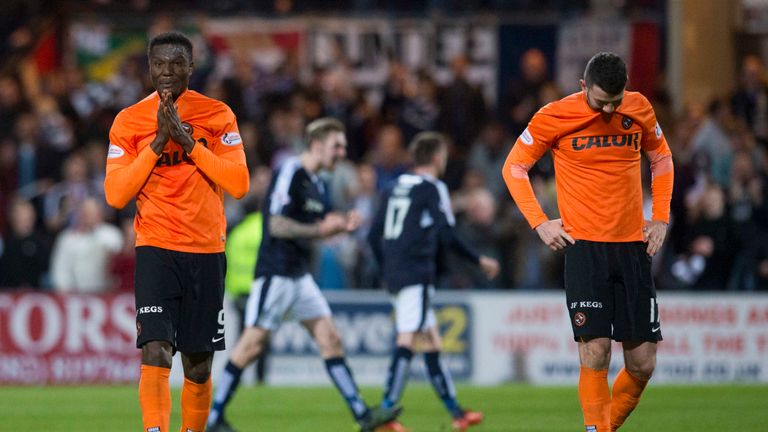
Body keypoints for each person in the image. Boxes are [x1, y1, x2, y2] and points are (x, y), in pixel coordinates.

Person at [502, 52, 673, 431]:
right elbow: (513, 166)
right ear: (583, 87)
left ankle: (603, 426)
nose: (610, 108)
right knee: (594, 352)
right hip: (585, 249)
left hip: (633, 247)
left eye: (616, 99)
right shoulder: (554, 115)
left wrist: (660, 216)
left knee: (642, 363)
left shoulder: (640, 108)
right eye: (601, 101)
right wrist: (540, 223)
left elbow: (661, 157)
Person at [206, 118, 401, 432]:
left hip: (298, 275)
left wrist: (334, 226)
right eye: (337, 146)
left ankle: (363, 416)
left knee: (330, 338)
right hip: (276, 274)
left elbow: (311, 229)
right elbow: (276, 225)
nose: (341, 153)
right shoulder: (290, 172)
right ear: (318, 144)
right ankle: (213, 417)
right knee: (251, 345)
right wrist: (320, 228)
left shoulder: (317, 183)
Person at [104, 31, 249, 432]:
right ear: (149, 69)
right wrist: (156, 145)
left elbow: (238, 183)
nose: (166, 71)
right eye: (158, 64)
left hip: (205, 250)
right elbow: (116, 194)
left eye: (175, 64)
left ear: (190, 66)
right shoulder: (129, 121)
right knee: (155, 348)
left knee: (199, 365)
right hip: (156, 247)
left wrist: (188, 143)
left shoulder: (218, 114)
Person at [368, 132, 500, 432]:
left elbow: (373, 235)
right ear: (438, 157)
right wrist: (479, 260)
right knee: (407, 337)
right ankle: (386, 413)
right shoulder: (432, 188)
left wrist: (385, 269)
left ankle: (456, 413)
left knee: (430, 342)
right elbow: (446, 233)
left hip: (396, 272)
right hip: (416, 272)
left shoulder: (392, 187)